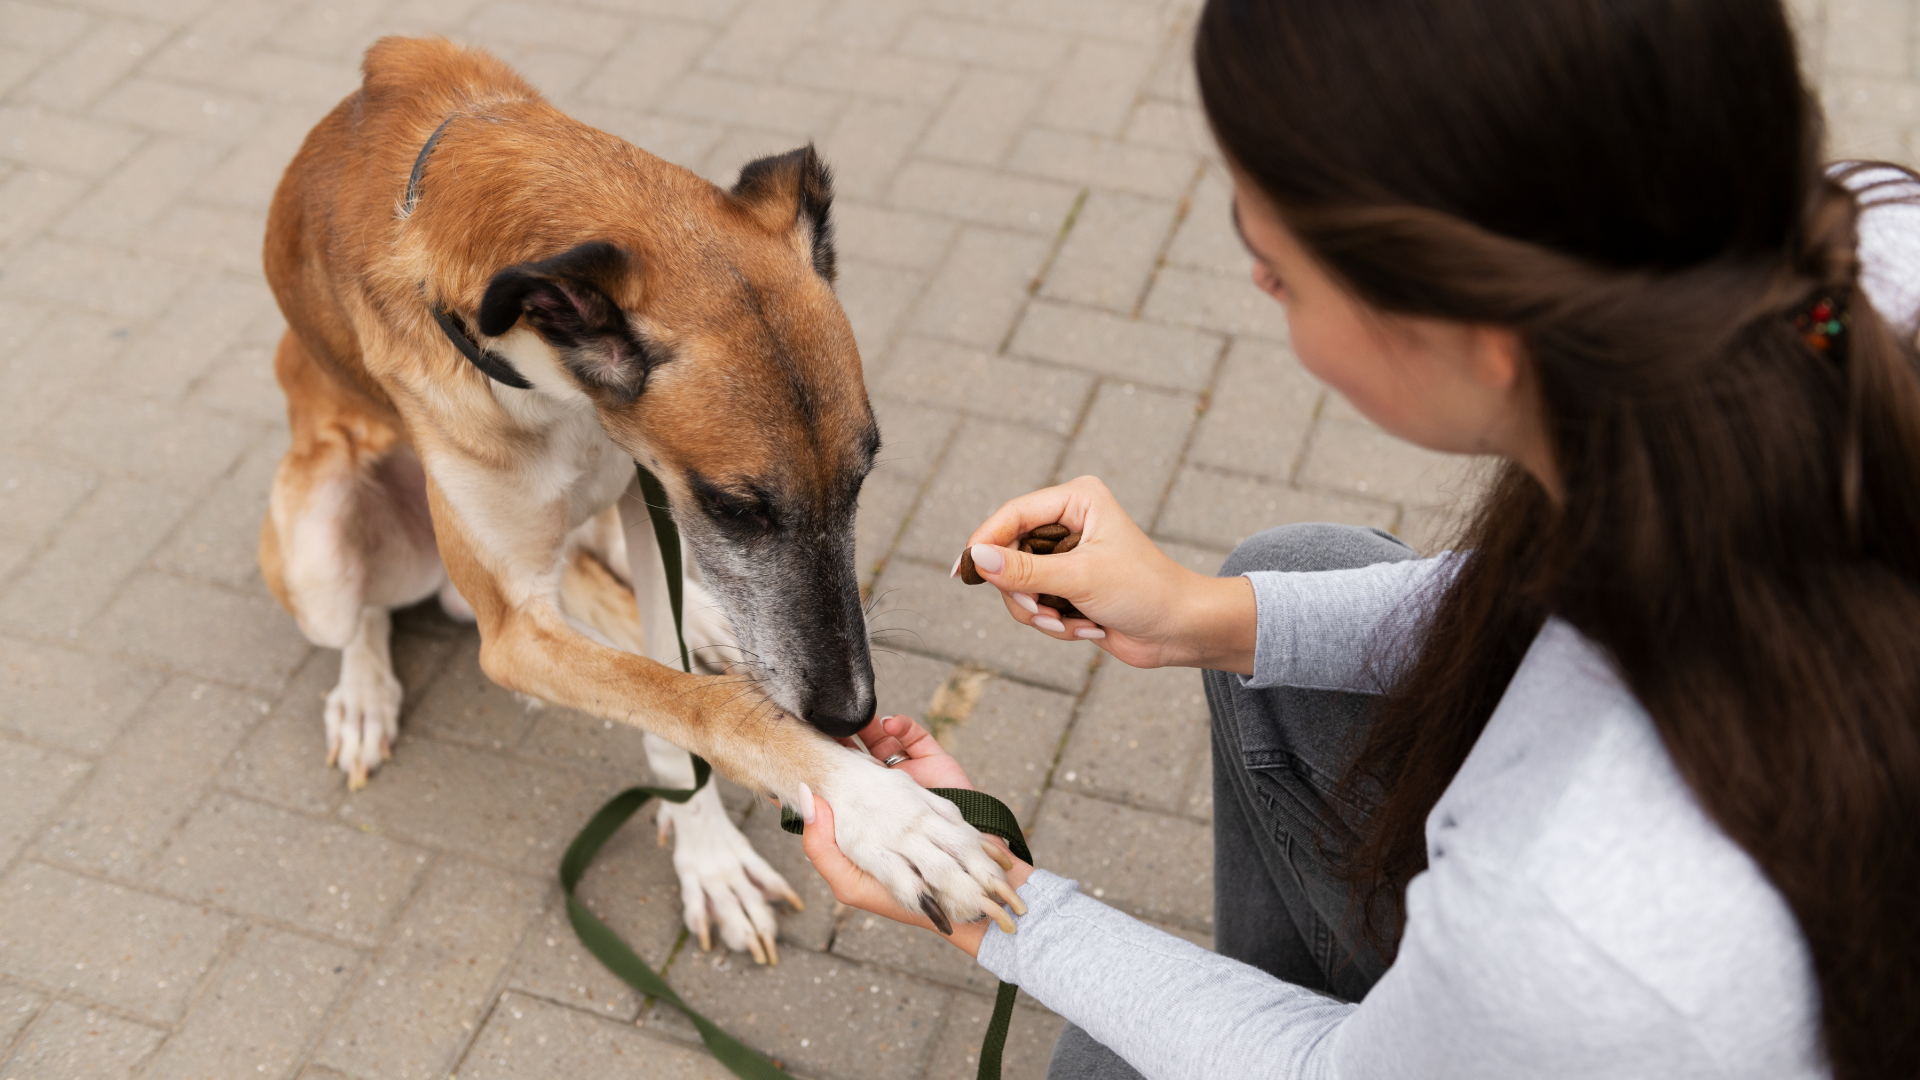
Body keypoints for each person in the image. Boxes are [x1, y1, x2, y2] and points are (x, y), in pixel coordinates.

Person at [801, 0, 1920, 1076]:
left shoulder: (1579, 915)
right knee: (1293, 578)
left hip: (1598, 1000)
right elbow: (1546, 609)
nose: (1252, 276)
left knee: (1111, 1058)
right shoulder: (1847, 253)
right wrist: (1204, 615)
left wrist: (984, 900)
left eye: (1277, 266)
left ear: (1479, 337)